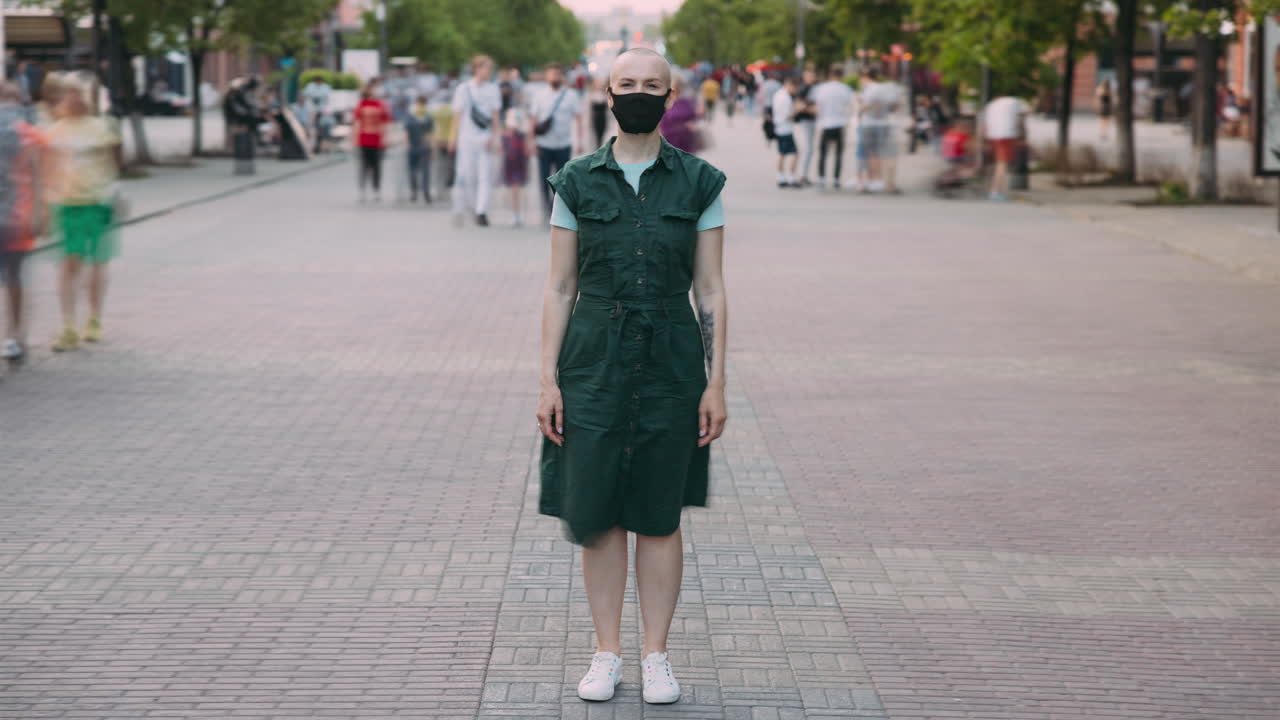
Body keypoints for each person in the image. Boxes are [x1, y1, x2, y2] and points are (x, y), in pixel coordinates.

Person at [537, 46, 728, 707]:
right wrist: (547, 380)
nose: (639, 93)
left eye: (652, 84)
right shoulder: (576, 181)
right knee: (597, 516)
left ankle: (655, 656)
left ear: (671, 94)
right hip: (591, 361)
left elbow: (711, 289)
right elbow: (559, 288)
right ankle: (605, 653)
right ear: (608, 93)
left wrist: (716, 382)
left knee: (659, 515)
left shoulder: (700, 182)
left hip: (672, 360)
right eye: (628, 84)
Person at [41, 72, 123, 352]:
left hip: (98, 202)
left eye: (79, 94)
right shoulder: (53, 132)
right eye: (69, 94)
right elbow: (45, 169)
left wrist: (116, 194)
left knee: (97, 263)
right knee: (69, 265)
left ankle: (94, 319)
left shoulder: (102, 128)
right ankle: (68, 325)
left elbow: (114, 164)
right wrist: (43, 204)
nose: (74, 99)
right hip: (67, 204)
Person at [0, 81, 39, 360]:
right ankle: (14, 337)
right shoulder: (28, 133)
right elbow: (38, 174)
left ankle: (14, 336)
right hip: (17, 217)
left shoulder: (28, 134)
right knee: (14, 277)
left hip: (16, 216)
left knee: (14, 276)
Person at [449, 55, 502, 227]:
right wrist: (452, 138)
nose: (489, 72)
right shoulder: (463, 89)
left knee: (485, 176)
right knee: (466, 176)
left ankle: (481, 211)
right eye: (486, 68)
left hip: (484, 138)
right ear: (476, 68)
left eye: (490, 68)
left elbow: (495, 117)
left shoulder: (493, 89)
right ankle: (470, 207)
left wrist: (496, 138)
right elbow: (457, 116)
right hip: (466, 139)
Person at [530, 62, 582, 223]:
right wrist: (531, 141)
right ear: (546, 76)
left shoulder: (571, 95)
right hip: (543, 144)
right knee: (543, 179)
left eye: (557, 74)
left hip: (563, 144)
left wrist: (579, 140)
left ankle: (556, 209)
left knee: (561, 181)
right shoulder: (539, 95)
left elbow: (578, 118)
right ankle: (545, 210)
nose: (554, 77)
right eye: (551, 74)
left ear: (561, 76)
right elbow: (533, 119)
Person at [857, 67, 900, 194]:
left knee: (872, 153)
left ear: (866, 77)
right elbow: (894, 106)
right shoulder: (885, 88)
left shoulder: (869, 89)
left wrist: (860, 109)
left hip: (869, 124)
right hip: (885, 123)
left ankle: (876, 180)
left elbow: (867, 105)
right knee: (884, 153)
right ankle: (887, 182)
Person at [812, 65, 854, 189]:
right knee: (838, 153)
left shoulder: (822, 88)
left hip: (825, 123)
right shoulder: (845, 89)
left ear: (830, 75)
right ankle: (836, 179)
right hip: (840, 123)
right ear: (841, 76)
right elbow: (850, 106)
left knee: (823, 153)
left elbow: (818, 106)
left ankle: (821, 178)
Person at [982, 92, 1029, 201]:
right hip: (1007, 135)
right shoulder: (1016, 102)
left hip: (994, 135)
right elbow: (1021, 119)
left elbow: (985, 124)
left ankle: (997, 190)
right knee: (1002, 165)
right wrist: (1023, 134)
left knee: (999, 164)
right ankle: (996, 191)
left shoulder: (992, 105)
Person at [352, 81, 391, 202]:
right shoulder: (361, 105)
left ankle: (376, 190)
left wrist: (386, 138)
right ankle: (362, 190)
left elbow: (385, 123)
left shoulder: (380, 105)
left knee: (377, 167)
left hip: (377, 139)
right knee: (364, 166)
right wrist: (355, 139)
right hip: (364, 139)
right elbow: (357, 123)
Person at [501, 86, 530, 227]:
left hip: (517, 150)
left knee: (516, 185)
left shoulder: (516, 113)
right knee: (515, 185)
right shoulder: (513, 113)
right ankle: (515, 213)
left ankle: (516, 214)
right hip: (514, 150)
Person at [658, 73, 700, 154]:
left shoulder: (686, 102)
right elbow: (661, 123)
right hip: (669, 141)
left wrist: (693, 123)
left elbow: (693, 118)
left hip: (685, 141)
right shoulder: (664, 102)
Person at [771, 75, 800, 187]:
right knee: (795, 154)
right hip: (786, 128)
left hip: (779, 128)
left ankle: (781, 176)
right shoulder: (786, 97)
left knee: (782, 153)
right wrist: (797, 111)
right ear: (790, 85)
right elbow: (787, 115)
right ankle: (791, 177)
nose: (795, 90)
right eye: (795, 87)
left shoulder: (778, 95)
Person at [404, 95, 435, 203]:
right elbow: (406, 132)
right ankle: (414, 191)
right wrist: (407, 144)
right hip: (413, 146)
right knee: (413, 172)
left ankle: (426, 193)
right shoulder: (410, 116)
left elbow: (430, 133)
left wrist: (431, 147)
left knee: (425, 172)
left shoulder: (428, 117)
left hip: (424, 147)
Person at [794, 67, 818, 186]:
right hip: (805, 121)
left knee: (809, 149)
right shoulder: (804, 88)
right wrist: (811, 110)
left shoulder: (812, 87)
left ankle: (804, 174)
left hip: (810, 121)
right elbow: (798, 104)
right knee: (807, 148)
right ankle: (802, 175)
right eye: (810, 75)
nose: (812, 77)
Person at [430, 88, 456, 194]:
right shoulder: (453, 110)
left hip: (439, 140)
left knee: (439, 164)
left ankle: (438, 187)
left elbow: (433, 126)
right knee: (451, 164)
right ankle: (449, 184)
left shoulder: (437, 111)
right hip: (451, 140)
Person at [588, 77, 609, 149]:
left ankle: (600, 145)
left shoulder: (605, 95)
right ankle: (597, 147)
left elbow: (608, 109)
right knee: (596, 134)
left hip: (603, 117)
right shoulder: (592, 95)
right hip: (595, 118)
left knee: (602, 133)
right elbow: (590, 110)